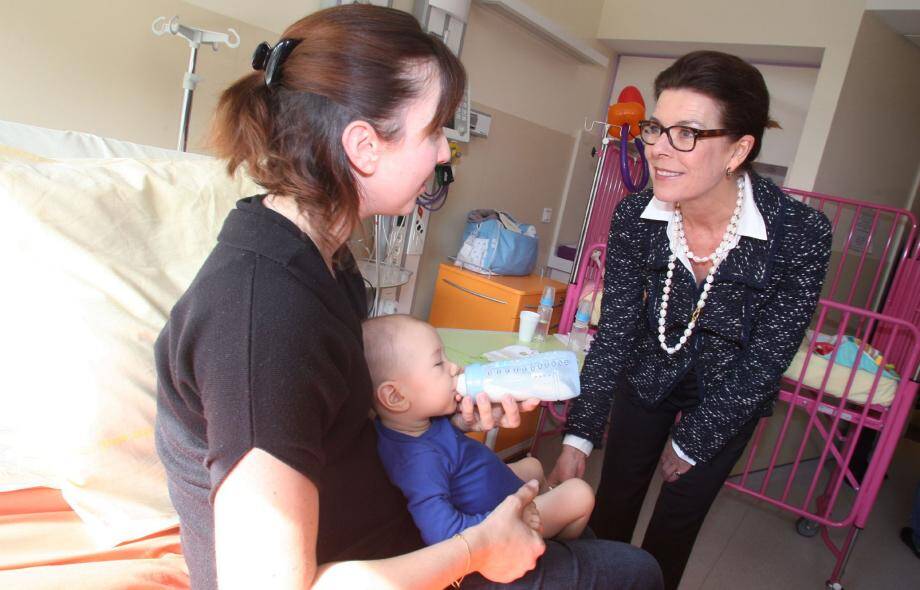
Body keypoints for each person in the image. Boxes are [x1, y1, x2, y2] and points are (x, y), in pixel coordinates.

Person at [154, 5, 663, 589]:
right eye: (434, 131)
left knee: (602, 547)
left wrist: (435, 410)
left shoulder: (326, 261)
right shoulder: (263, 317)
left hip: (395, 531)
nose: (446, 153)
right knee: (635, 572)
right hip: (380, 568)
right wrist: (477, 550)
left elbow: (337, 418)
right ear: (364, 147)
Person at [549, 50, 833, 590]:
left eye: (688, 133)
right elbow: (614, 336)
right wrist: (578, 438)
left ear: (739, 149)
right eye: (658, 128)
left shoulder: (799, 233)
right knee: (613, 506)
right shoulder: (636, 218)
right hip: (647, 374)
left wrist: (695, 441)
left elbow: (767, 356)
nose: (658, 147)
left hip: (730, 393)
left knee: (676, 524)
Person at [365, 314, 595, 545]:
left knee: (533, 466)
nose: (454, 367)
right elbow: (444, 533)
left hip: (493, 489)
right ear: (395, 396)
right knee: (579, 494)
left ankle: (548, 519)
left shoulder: (416, 422)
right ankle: (555, 547)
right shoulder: (417, 463)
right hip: (497, 520)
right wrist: (512, 520)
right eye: (438, 363)